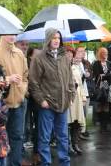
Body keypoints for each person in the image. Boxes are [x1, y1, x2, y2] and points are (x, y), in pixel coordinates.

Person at [29, 28, 75, 166]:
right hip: (47, 105)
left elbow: (70, 79)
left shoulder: (64, 58)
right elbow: (33, 83)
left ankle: (64, 162)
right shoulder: (39, 58)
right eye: (54, 37)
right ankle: (45, 163)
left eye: (58, 38)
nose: (56, 40)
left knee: (63, 137)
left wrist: (71, 94)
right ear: (48, 39)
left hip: (63, 104)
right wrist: (41, 100)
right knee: (44, 137)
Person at [0, 35, 29, 166]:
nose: (12, 36)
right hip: (1, 105)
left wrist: (22, 90)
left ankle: (16, 163)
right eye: (9, 33)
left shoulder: (20, 53)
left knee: (18, 137)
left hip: (19, 103)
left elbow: (26, 76)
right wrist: (8, 79)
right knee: (1, 138)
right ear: (2, 34)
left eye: (14, 34)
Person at [68, 47, 87, 155]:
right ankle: (69, 145)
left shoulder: (75, 68)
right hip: (69, 99)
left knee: (77, 122)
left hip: (77, 98)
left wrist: (83, 97)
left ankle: (75, 143)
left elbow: (80, 84)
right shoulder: (63, 68)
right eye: (68, 56)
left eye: (71, 55)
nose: (70, 57)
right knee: (68, 122)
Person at [26, 47, 42, 165]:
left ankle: (37, 152)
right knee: (26, 126)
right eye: (36, 55)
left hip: (38, 100)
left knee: (39, 127)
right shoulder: (26, 66)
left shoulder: (41, 67)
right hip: (26, 98)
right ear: (30, 56)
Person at [92, 47, 111, 133]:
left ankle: (105, 125)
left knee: (107, 105)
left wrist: (105, 76)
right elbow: (97, 74)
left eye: (106, 53)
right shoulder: (96, 63)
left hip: (109, 87)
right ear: (100, 54)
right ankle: (101, 125)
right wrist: (107, 75)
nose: (105, 54)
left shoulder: (109, 63)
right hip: (100, 88)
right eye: (103, 53)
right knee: (100, 105)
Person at [75, 46, 92, 138]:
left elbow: (89, 76)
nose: (83, 53)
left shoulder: (85, 63)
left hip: (84, 90)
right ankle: (78, 132)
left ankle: (82, 130)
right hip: (77, 90)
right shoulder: (73, 63)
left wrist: (87, 74)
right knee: (78, 111)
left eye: (83, 51)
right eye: (80, 51)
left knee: (84, 111)